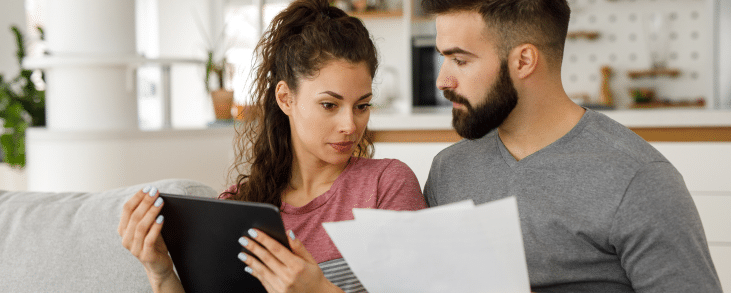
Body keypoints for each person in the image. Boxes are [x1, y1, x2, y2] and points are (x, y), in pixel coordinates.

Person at [117, 0, 427, 292]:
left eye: (362, 106)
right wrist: (161, 273)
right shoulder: (238, 206)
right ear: (285, 99)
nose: (350, 125)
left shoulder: (386, 186)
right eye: (330, 105)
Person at [420, 0, 723, 292]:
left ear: (523, 61)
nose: (442, 80)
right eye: (443, 59)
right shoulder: (449, 169)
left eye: (459, 60)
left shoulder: (638, 179)